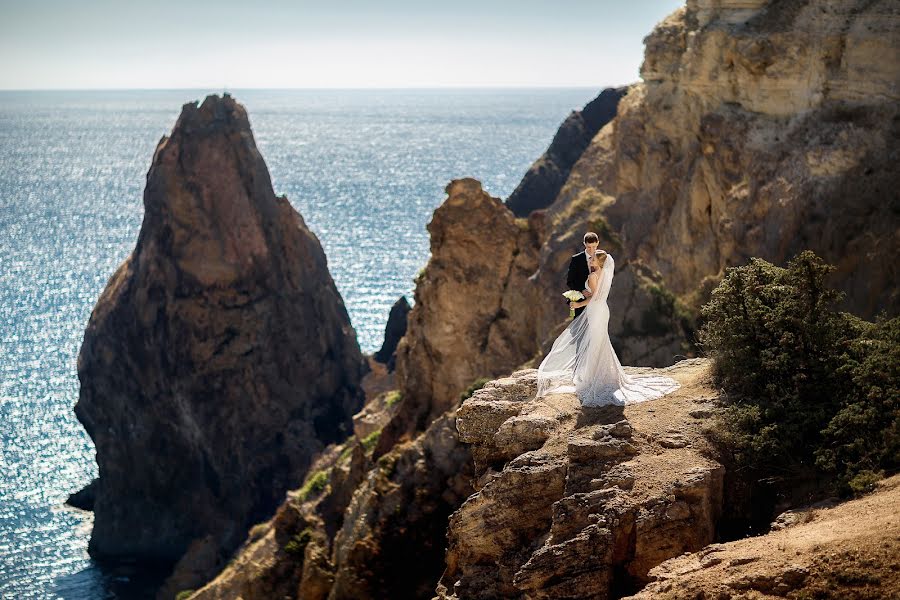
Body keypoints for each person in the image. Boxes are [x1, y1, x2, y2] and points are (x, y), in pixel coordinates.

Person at [536, 249, 681, 407]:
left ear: (599, 262)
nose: (590, 260)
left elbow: (593, 298)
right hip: (602, 310)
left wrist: (577, 303)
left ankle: (594, 378)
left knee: (596, 343)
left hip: (595, 310)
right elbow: (596, 293)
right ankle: (600, 376)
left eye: (592, 259)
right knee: (599, 342)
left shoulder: (593, 275)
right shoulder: (602, 274)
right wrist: (585, 293)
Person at [566, 232, 599, 319]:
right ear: (584, 244)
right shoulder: (576, 259)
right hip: (580, 303)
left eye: (594, 247)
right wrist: (582, 290)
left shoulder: (602, 258)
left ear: (598, 243)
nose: (592, 250)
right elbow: (570, 281)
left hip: (597, 304)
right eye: (589, 247)